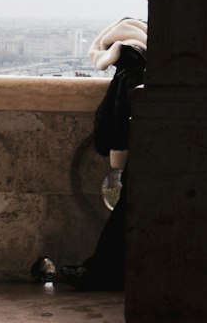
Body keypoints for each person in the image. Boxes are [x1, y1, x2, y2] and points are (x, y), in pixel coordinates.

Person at [31, 15, 146, 290]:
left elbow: (118, 116)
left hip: (148, 148)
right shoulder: (142, 60)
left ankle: (99, 272)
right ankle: (100, 271)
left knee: (127, 211)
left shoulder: (130, 67)